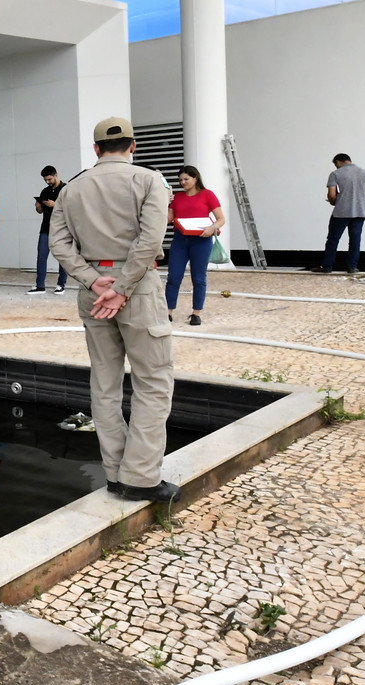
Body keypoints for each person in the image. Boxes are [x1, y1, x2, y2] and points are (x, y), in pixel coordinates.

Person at [46, 116, 177, 504]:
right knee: (152, 382)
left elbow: (59, 242)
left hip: (94, 289)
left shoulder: (72, 188)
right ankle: (141, 477)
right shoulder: (149, 180)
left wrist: (92, 279)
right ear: (133, 146)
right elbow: (150, 237)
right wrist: (122, 288)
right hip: (137, 286)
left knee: (105, 384)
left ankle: (116, 474)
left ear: (97, 149)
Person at [166, 165, 223, 327]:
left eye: (186, 179)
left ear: (195, 178)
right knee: (173, 276)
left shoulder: (207, 195)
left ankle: (196, 312)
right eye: (180, 180)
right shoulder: (177, 198)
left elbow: (221, 219)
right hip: (180, 240)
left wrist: (212, 228)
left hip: (201, 240)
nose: (183, 182)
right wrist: (162, 202)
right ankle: (168, 311)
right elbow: (168, 218)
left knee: (198, 277)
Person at [319, 152, 365, 274]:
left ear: (338, 162)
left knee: (333, 239)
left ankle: (327, 266)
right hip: (360, 212)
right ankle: (352, 267)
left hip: (341, 212)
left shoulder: (336, 174)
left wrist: (334, 201)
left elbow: (331, 194)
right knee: (355, 239)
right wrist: (359, 198)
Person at [31, 165, 67, 294]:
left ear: (56, 175)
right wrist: (38, 206)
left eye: (50, 179)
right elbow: (40, 211)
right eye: (45, 180)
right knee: (41, 256)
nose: (48, 182)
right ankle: (40, 286)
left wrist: (55, 205)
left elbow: (72, 208)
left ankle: (61, 285)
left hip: (62, 229)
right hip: (46, 228)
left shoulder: (66, 189)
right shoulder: (44, 191)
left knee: (62, 257)